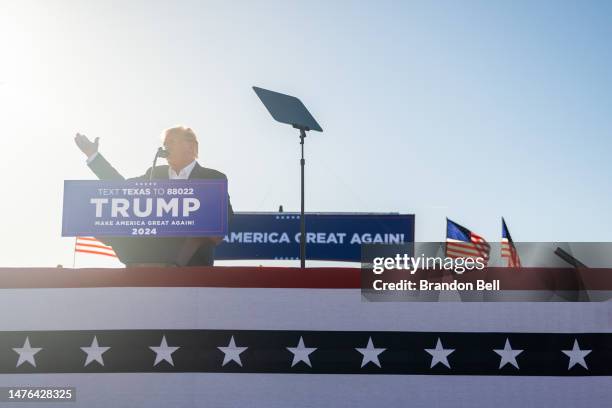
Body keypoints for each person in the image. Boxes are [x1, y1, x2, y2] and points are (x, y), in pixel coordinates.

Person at [74, 126, 232, 266]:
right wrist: (93, 156)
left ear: (190, 146)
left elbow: (227, 218)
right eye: (165, 143)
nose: (166, 147)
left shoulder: (212, 178)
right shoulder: (155, 173)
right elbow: (123, 190)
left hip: (193, 266)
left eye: (171, 142)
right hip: (149, 261)